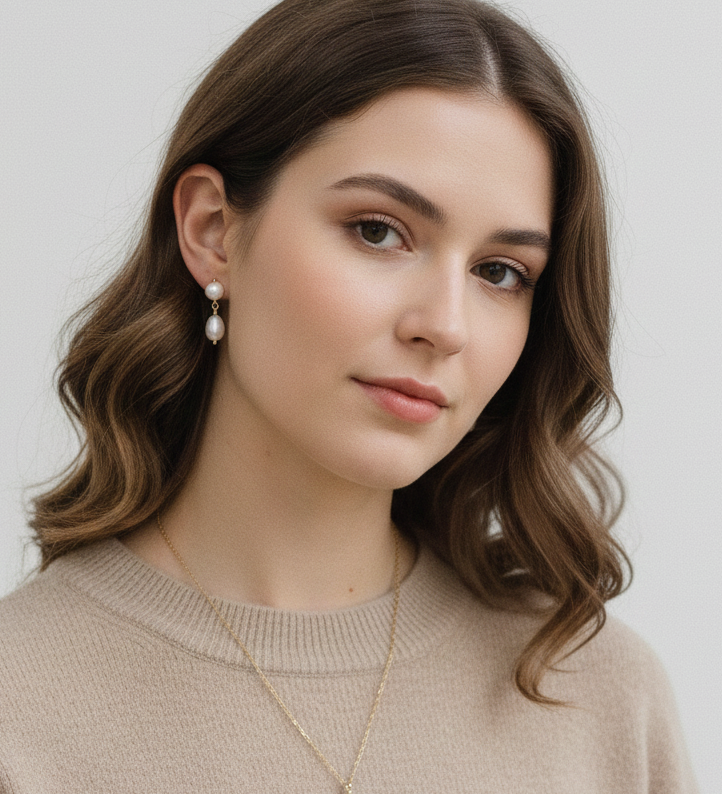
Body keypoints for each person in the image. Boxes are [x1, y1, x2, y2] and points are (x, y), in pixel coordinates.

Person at [0, 0, 698, 791]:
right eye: (378, 230)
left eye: (500, 272)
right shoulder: (19, 713)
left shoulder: (596, 699)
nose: (444, 325)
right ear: (212, 229)